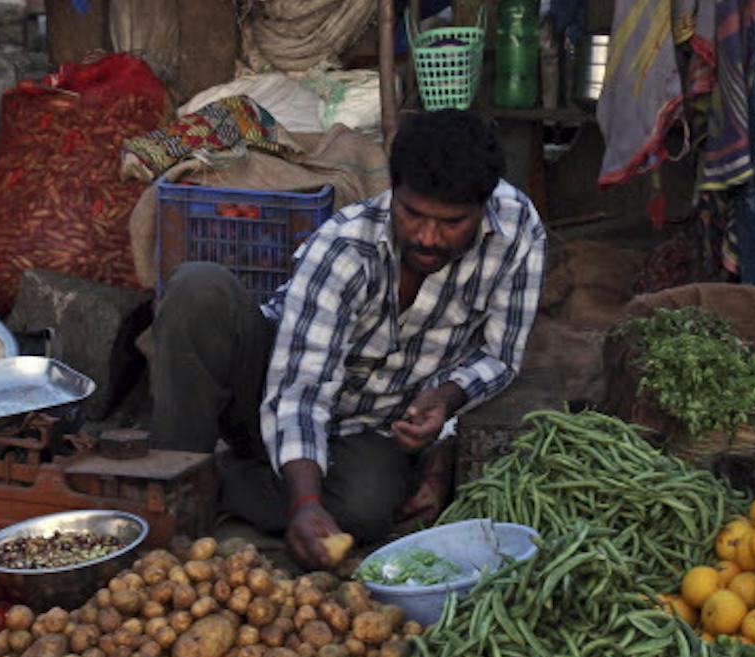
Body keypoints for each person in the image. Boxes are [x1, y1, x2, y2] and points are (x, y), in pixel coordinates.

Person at [149, 109, 546, 569]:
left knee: (366, 509)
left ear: (483, 208)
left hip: (372, 426)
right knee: (199, 291)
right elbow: (299, 392)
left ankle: (220, 483)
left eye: (451, 223)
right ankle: (174, 484)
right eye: (413, 214)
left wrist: (447, 396)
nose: (427, 237)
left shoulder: (516, 232)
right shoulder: (345, 248)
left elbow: (500, 354)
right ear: (393, 191)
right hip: (272, 386)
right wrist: (303, 503)